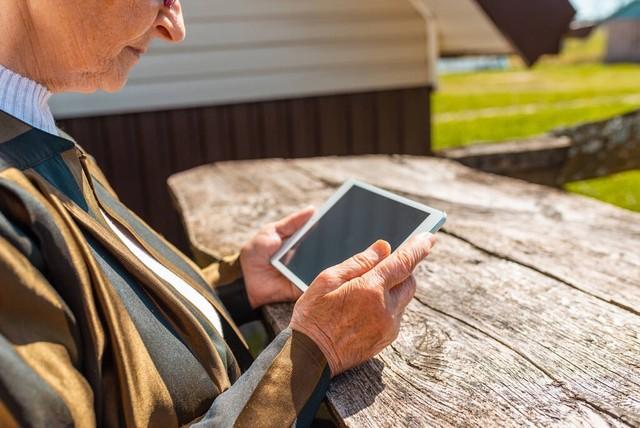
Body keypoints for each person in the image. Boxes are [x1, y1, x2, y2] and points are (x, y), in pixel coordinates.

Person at [0, 0, 437, 426]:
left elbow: (92, 317)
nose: (175, 27)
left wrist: (236, 286)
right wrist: (314, 349)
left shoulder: (31, 134)